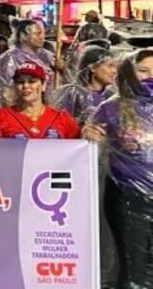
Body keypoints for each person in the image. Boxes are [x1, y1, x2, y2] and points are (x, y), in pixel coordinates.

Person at [84, 49, 153, 289]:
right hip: (127, 198)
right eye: (143, 70)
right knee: (133, 264)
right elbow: (90, 146)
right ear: (129, 74)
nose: (151, 76)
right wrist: (88, 135)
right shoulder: (111, 108)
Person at [0, 62, 79, 139]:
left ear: (43, 85)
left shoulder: (62, 118)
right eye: (20, 82)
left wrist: (87, 134)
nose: (25, 86)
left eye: (32, 81)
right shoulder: (0, 117)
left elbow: (80, 149)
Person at [0, 19, 58, 105]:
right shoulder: (9, 58)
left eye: (42, 33)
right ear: (23, 35)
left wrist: (61, 66)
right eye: (37, 33)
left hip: (45, 110)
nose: (42, 37)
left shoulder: (45, 55)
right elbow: (7, 95)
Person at [53, 46, 117, 128]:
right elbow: (60, 126)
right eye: (110, 66)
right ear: (93, 67)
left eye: (115, 67)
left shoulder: (112, 97)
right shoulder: (72, 93)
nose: (114, 71)